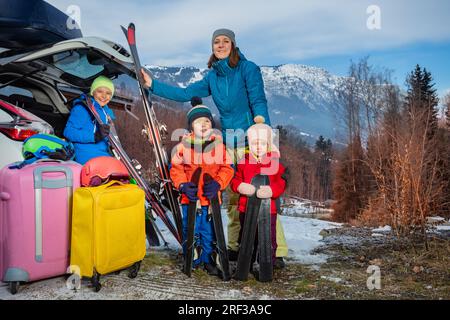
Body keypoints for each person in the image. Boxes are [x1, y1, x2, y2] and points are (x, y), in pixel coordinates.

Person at [141, 28, 288, 268]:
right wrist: (152, 85)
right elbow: (186, 93)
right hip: (229, 142)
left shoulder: (247, 69)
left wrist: (263, 130)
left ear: (233, 45)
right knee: (232, 197)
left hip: (254, 140)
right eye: (216, 42)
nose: (220, 45)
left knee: (264, 194)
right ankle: (236, 246)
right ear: (212, 47)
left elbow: (258, 99)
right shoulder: (213, 77)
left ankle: (275, 249)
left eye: (225, 41)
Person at [170, 98, 234, 277]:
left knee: (209, 230)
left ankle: (208, 258)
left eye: (207, 121)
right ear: (191, 127)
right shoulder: (182, 147)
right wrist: (182, 185)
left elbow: (227, 168)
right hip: (190, 198)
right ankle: (192, 257)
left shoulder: (219, 146)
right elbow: (176, 169)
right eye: (199, 122)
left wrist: (218, 183)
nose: (204, 125)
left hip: (210, 198)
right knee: (191, 228)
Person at [230, 123, 287, 271]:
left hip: (269, 211)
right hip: (246, 208)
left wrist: (271, 190)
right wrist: (241, 186)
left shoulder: (274, 162)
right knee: (247, 236)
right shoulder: (243, 161)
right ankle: (246, 261)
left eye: (263, 143)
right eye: (255, 143)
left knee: (268, 238)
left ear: (268, 144)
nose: (259, 146)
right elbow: (235, 181)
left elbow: (281, 184)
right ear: (249, 143)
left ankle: (268, 263)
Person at [63, 76, 115, 165]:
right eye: (100, 91)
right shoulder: (83, 108)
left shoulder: (107, 113)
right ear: (93, 92)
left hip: (104, 154)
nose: (104, 96)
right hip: (86, 155)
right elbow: (68, 132)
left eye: (108, 93)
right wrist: (94, 136)